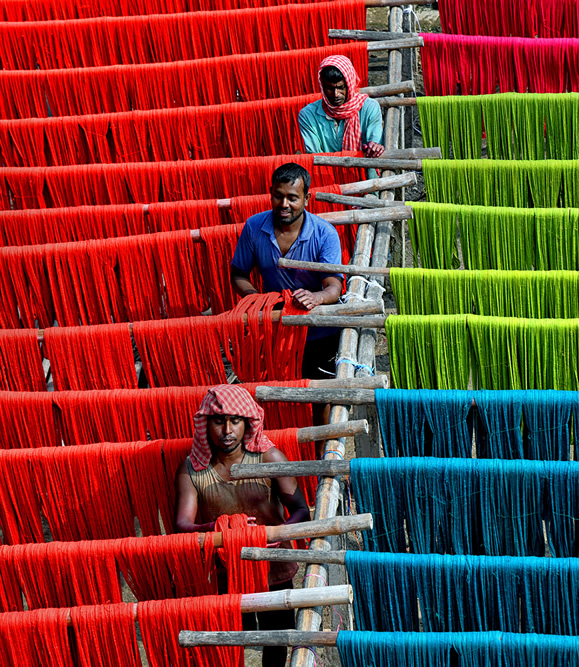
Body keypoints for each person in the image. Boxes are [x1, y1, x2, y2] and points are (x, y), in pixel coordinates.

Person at [174, 385, 311, 667]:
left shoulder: (268, 458)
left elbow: (300, 509)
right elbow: (182, 524)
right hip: (227, 570)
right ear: (205, 424)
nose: (227, 430)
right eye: (218, 421)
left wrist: (273, 536)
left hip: (274, 567)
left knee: (276, 639)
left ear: (248, 422)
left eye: (235, 421)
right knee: (231, 642)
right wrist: (219, 528)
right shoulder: (192, 470)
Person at [231, 162, 344, 381]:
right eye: (278, 196)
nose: (284, 204)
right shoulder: (254, 227)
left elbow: (334, 287)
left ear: (307, 199)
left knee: (320, 398)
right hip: (275, 327)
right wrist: (257, 300)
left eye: (292, 198)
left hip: (320, 330)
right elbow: (238, 274)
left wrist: (315, 297)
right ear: (270, 194)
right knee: (280, 393)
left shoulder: (325, 234)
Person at [298, 55, 385, 158]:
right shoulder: (308, 115)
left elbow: (375, 142)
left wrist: (374, 147)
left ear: (350, 84)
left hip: (366, 172)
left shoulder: (369, 107)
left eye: (341, 87)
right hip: (326, 173)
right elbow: (315, 155)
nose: (336, 94)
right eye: (330, 88)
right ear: (322, 86)